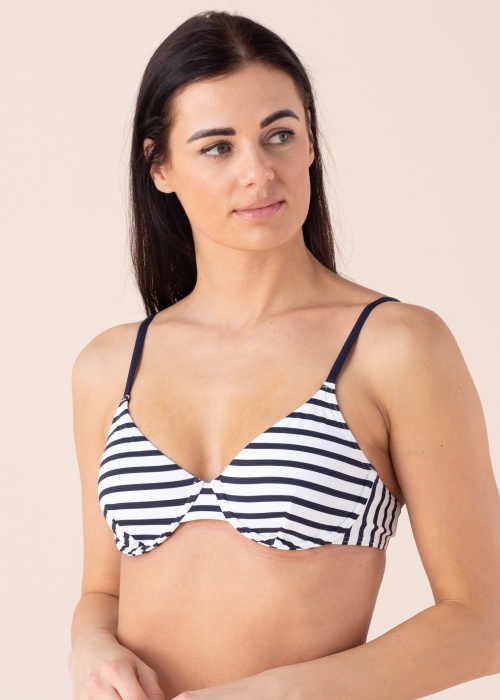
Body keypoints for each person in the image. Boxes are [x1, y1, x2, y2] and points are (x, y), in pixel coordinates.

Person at [67, 10, 500, 700]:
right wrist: (91, 647)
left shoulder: (395, 347)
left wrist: (280, 694)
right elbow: (103, 591)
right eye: (218, 147)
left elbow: (486, 621)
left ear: (310, 144)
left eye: (279, 135)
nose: (258, 171)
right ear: (160, 166)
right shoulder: (111, 365)